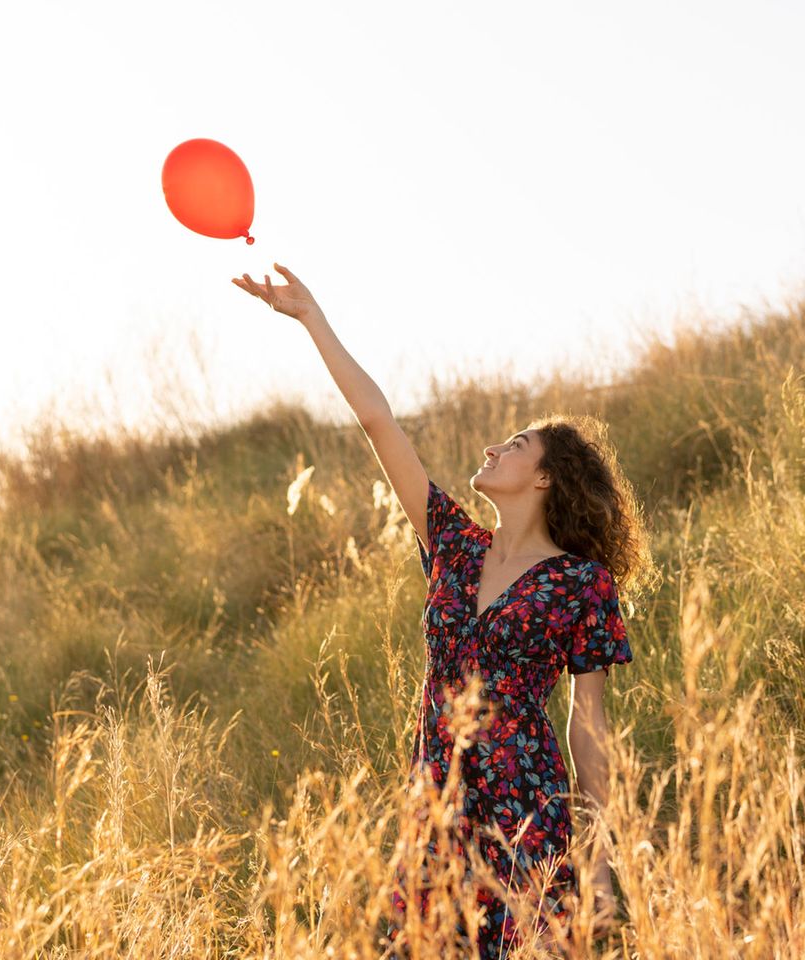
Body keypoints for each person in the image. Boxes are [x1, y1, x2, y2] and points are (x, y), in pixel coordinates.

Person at [232, 265, 650, 957]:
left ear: (546, 477)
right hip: (434, 811)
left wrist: (599, 862)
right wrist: (312, 319)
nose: (493, 448)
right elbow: (377, 420)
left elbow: (589, 727)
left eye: (515, 446)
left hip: (526, 809)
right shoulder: (454, 546)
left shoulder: (581, 584)